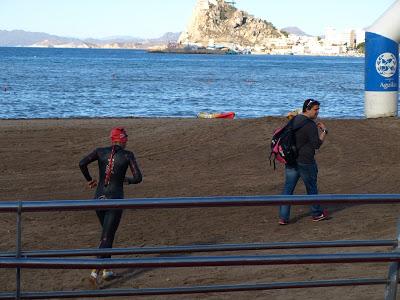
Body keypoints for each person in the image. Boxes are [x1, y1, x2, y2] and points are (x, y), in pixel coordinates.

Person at [79, 127, 142, 285]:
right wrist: (125, 180)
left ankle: (107, 271)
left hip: (98, 199)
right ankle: (95, 272)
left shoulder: (100, 152)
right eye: (126, 137)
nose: (127, 139)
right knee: (107, 236)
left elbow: (82, 163)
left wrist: (89, 179)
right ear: (121, 139)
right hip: (115, 200)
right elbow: (138, 177)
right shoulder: (128, 155)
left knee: (108, 234)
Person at [279, 99, 328, 225]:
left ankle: (283, 218)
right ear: (307, 109)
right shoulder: (310, 125)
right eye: (316, 109)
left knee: (288, 189)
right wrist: (324, 131)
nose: (318, 112)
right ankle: (316, 214)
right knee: (311, 188)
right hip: (306, 161)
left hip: (291, 159)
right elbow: (316, 145)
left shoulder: (294, 120)